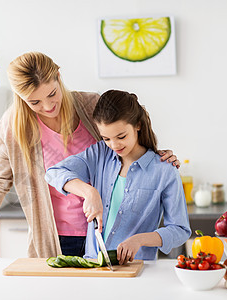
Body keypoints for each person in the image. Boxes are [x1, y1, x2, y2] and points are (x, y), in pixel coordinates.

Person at [0, 53, 180, 261]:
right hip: (55, 235)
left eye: (51, 94)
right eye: (34, 102)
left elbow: (125, 134)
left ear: (59, 77)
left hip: (103, 233)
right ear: (21, 98)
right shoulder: (14, 127)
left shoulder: (91, 105)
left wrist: (157, 155)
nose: (47, 107)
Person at [45, 90, 191, 264]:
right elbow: (53, 172)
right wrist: (89, 192)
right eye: (107, 138)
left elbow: (180, 229)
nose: (114, 145)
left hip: (137, 268)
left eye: (121, 136)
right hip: (94, 266)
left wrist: (140, 239)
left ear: (137, 125)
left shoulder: (164, 170)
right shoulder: (99, 154)